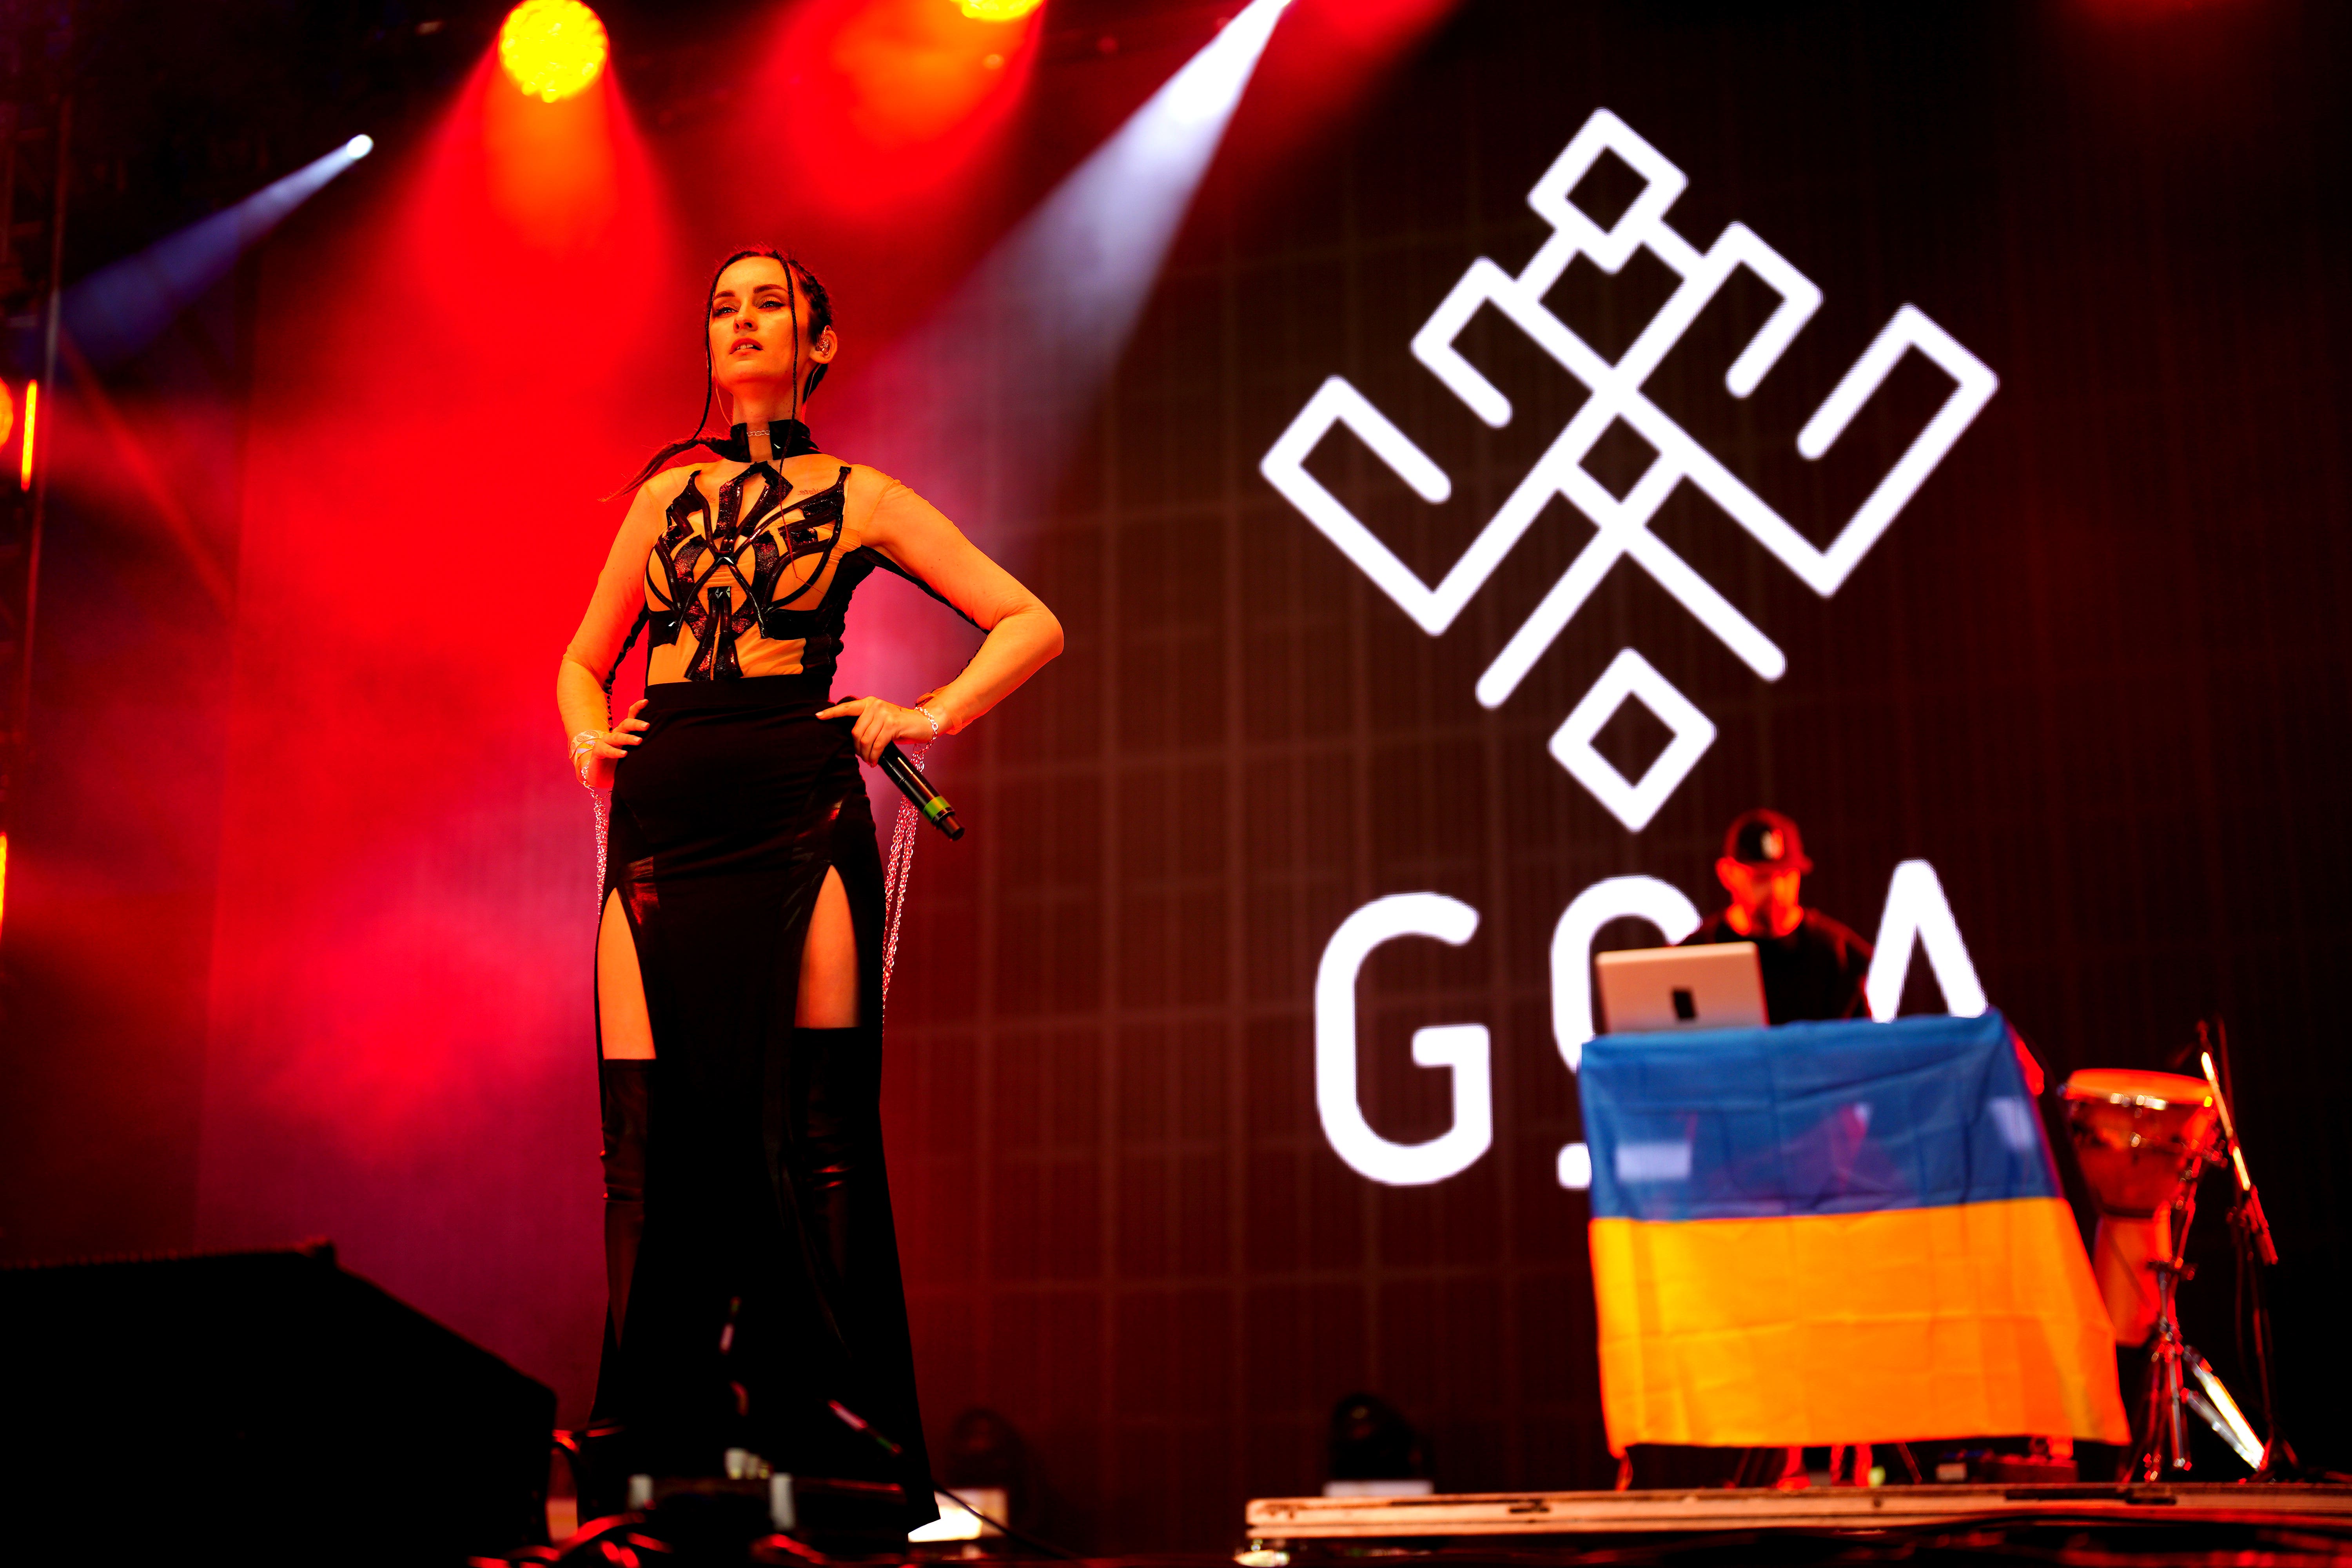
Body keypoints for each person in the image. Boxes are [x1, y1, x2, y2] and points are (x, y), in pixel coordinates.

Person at [557, 247, 1063, 1521]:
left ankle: (835, 1450)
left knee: (817, 1132)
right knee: (646, 1144)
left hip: (798, 802)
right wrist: (586, 736)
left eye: (767, 302)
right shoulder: (662, 496)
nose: (739, 322)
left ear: (819, 345)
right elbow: (581, 662)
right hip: (666, 812)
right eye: (721, 305)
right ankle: (644, 1451)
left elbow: (1028, 620)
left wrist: (925, 712)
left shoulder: (861, 495)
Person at [1681, 809, 1871, 1025]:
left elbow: (1862, 1048)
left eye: (1786, 874)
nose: (1776, 890)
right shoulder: (1692, 959)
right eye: (1761, 877)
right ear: (1728, 874)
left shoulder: (1840, 955)